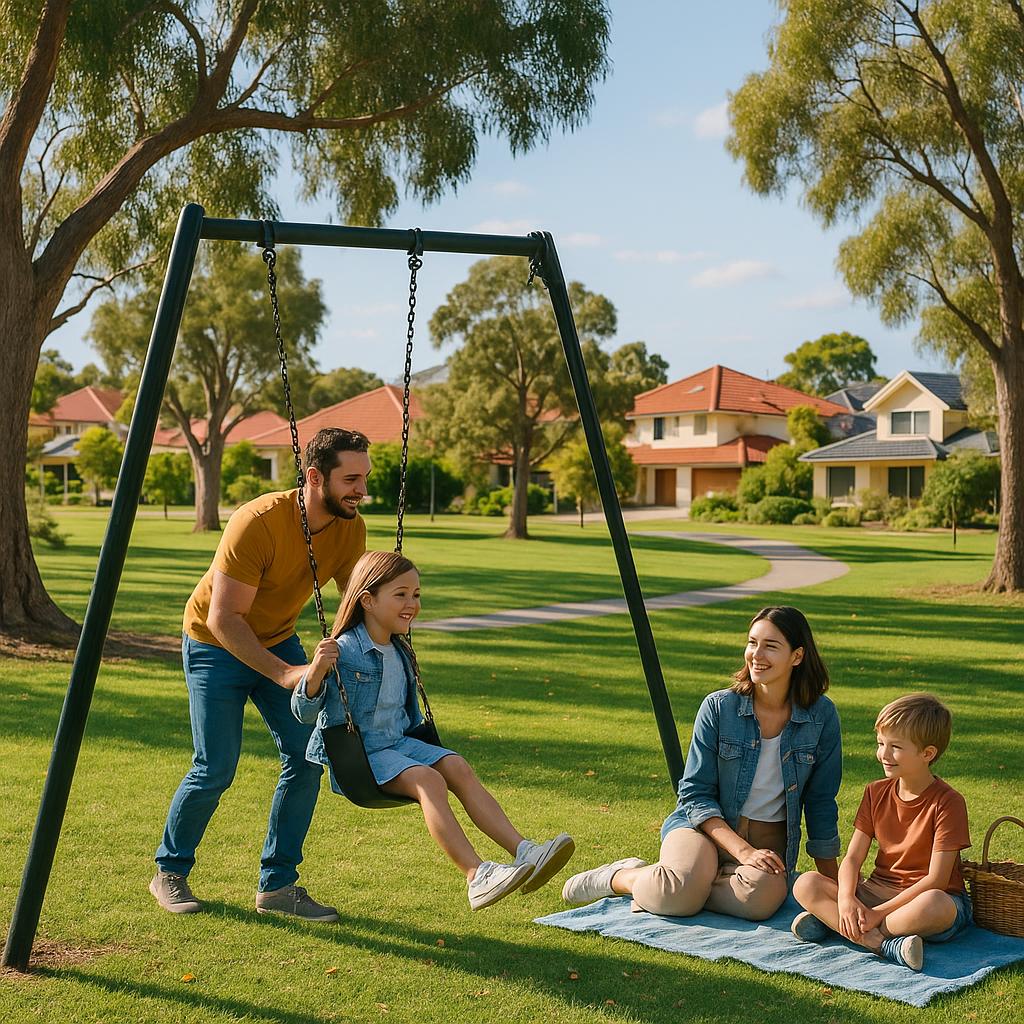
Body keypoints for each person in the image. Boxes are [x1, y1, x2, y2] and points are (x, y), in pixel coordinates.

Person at [151, 428, 371, 922]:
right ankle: (170, 871)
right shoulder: (258, 522)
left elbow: (354, 605)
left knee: (306, 758)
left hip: (278, 638)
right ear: (315, 477)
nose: (361, 490)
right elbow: (224, 618)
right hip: (214, 644)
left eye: (364, 478)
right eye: (351, 479)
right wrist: (287, 673)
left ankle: (277, 886)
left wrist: (379, 635)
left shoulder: (349, 527)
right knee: (215, 767)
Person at [292, 549, 576, 910]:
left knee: (456, 765)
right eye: (400, 595)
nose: (412, 604)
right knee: (428, 780)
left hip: (399, 744)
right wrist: (315, 672)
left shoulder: (400, 648)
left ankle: (525, 851)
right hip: (362, 757)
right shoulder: (343, 651)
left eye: (416, 594)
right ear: (367, 600)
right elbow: (302, 712)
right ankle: (476, 876)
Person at [562, 605, 841, 922]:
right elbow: (695, 794)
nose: (756, 654)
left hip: (766, 841)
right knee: (676, 895)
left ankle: (685, 884)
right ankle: (625, 877)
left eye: (771, 646)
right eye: (752, 643)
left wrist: (833, 885)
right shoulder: (720, 707)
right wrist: (743, 852)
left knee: (760, 902)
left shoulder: (821, 716)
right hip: (703, 828)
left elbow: (820, 801)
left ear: (797, 656)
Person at [791, 693, 972, 971]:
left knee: (936, 904)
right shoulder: (875, 792)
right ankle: (881, 944)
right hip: (875, 892)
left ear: (927, 754)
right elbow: (852, 859)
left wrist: (877, 914)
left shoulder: (948, 802)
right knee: (805, 884)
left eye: (895, 747)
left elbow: (936, 879)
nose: (883, 755)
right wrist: (847, 899)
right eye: (880, 743)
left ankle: (838, 925)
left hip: (925, 900)